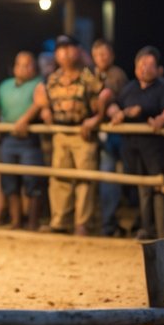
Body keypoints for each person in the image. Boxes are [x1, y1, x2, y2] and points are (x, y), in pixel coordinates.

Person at [35, 35, 108, 235]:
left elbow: (103, 98)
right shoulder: (52, 78)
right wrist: (44, 109)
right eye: (61, 49)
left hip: (83, 134)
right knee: (59, 178)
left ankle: (82, 223)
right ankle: (60, 221)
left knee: (85, 179)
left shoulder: (89, 77)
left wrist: (96, 119)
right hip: (61, 132)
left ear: (78, 51)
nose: (65, 53)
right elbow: (40, 94)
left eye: (69, 48)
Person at [107, 46, 164, 240]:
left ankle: (163, 231)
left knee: (159, 187)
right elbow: (114, 104)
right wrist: (116, 113)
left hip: (155, 149)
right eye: (141, 64)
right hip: (132, 146)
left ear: (158, 69)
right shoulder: (129, 88)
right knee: (141, 188)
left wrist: (159, 121)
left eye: (149, 64)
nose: (144, 68)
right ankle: (146, 227)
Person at [0, 51, 44, 230]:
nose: (23, 68)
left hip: (29, 138)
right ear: (14, 67)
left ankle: (32, 222)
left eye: (28, 64)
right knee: (9, 180)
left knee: (32, 179)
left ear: (34, 67)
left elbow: (40, 103)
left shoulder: (39, 84)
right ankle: (16, 221)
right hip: (8, 137)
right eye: (20, 64)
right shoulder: (5, 85)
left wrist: (24, 120)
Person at [91, 39, 129, 236]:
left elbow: (107, 96)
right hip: (102, 133)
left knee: (118, 177)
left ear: (111, 55)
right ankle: (107, 223)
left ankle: (113, 222)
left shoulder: (117, 74)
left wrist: (97, 114)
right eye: (97, 54)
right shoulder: (91, 75)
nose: (101, 58)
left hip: (118, 134)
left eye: (104, 54)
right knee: (105, 179)